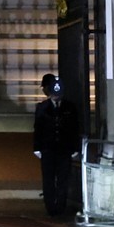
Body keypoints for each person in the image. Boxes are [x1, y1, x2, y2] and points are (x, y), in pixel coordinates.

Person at [33, 73, 81, 217]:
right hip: (48, 149)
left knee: (63, 179)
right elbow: (38, 129)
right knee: (48, 179)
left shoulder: (69, 107)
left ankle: (60, 206)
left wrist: (75, 147)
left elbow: (74, 128)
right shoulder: (42, 108)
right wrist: (37, 147)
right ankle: (50, 206)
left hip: (64, 149)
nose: (56, 97)